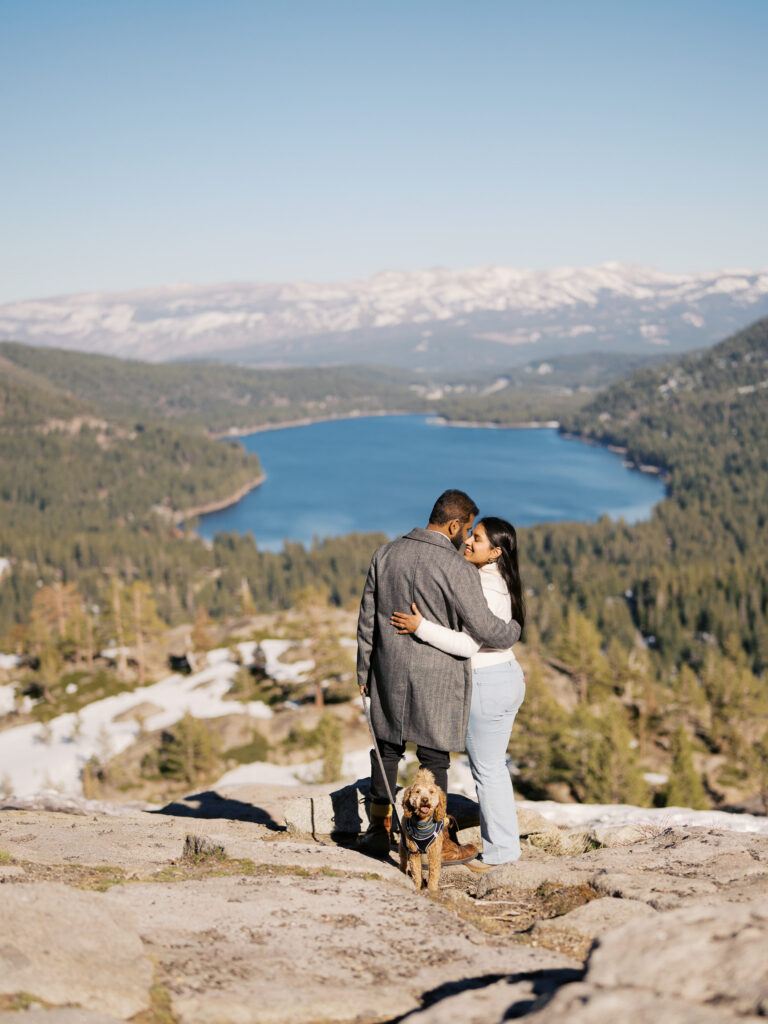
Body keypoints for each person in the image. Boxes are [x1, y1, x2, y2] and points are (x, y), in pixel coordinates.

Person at [356, 490, 521, 859]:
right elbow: (486, 627)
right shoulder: (457, 567)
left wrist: (363, 670)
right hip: (438, 674)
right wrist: (513, 631)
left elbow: (367, 618)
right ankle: (436, 841)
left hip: (388, 669)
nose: (466, 537)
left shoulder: (385, 554)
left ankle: (378, 830)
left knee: (386, 749)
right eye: (466, 530)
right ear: (453, 525)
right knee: (434, 759)